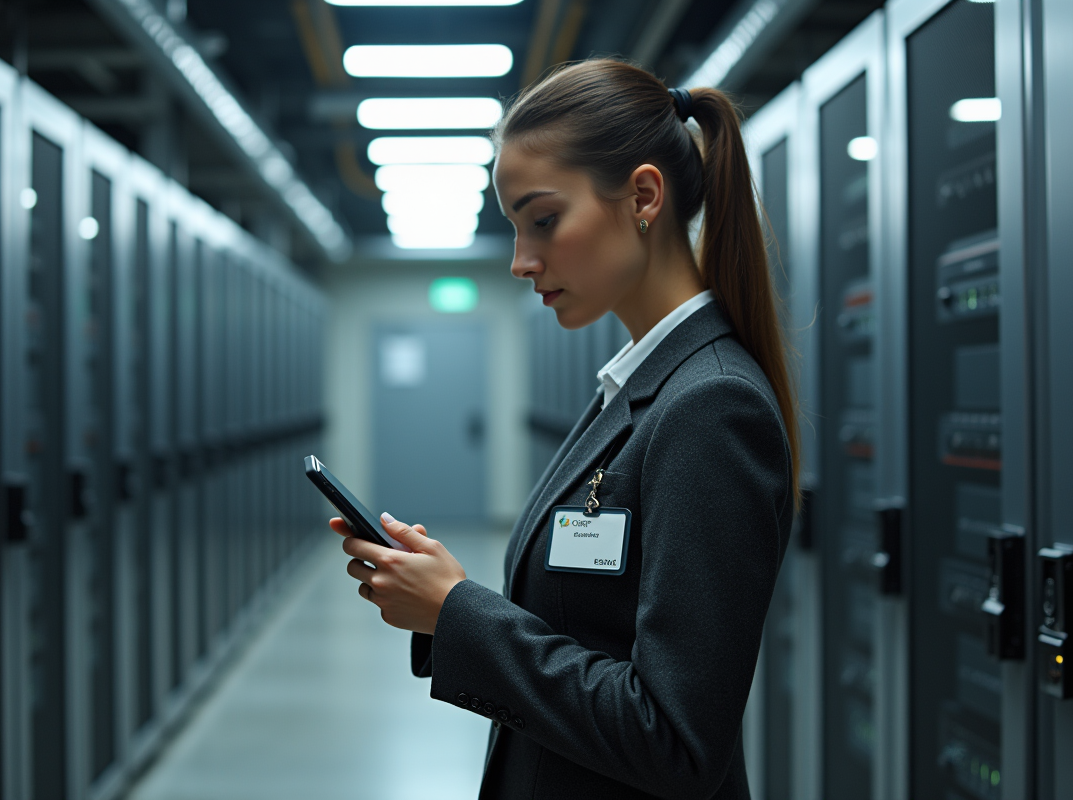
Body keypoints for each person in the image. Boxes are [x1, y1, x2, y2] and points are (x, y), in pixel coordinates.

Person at [330, 58, 799, 800]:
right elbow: (586, 631)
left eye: (543, 220)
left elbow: (674, 739)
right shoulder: (638, 388)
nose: (521, 260)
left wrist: (460, 612)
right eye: (516, 228)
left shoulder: (710, 407)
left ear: (644, 196)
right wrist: (441, 601)